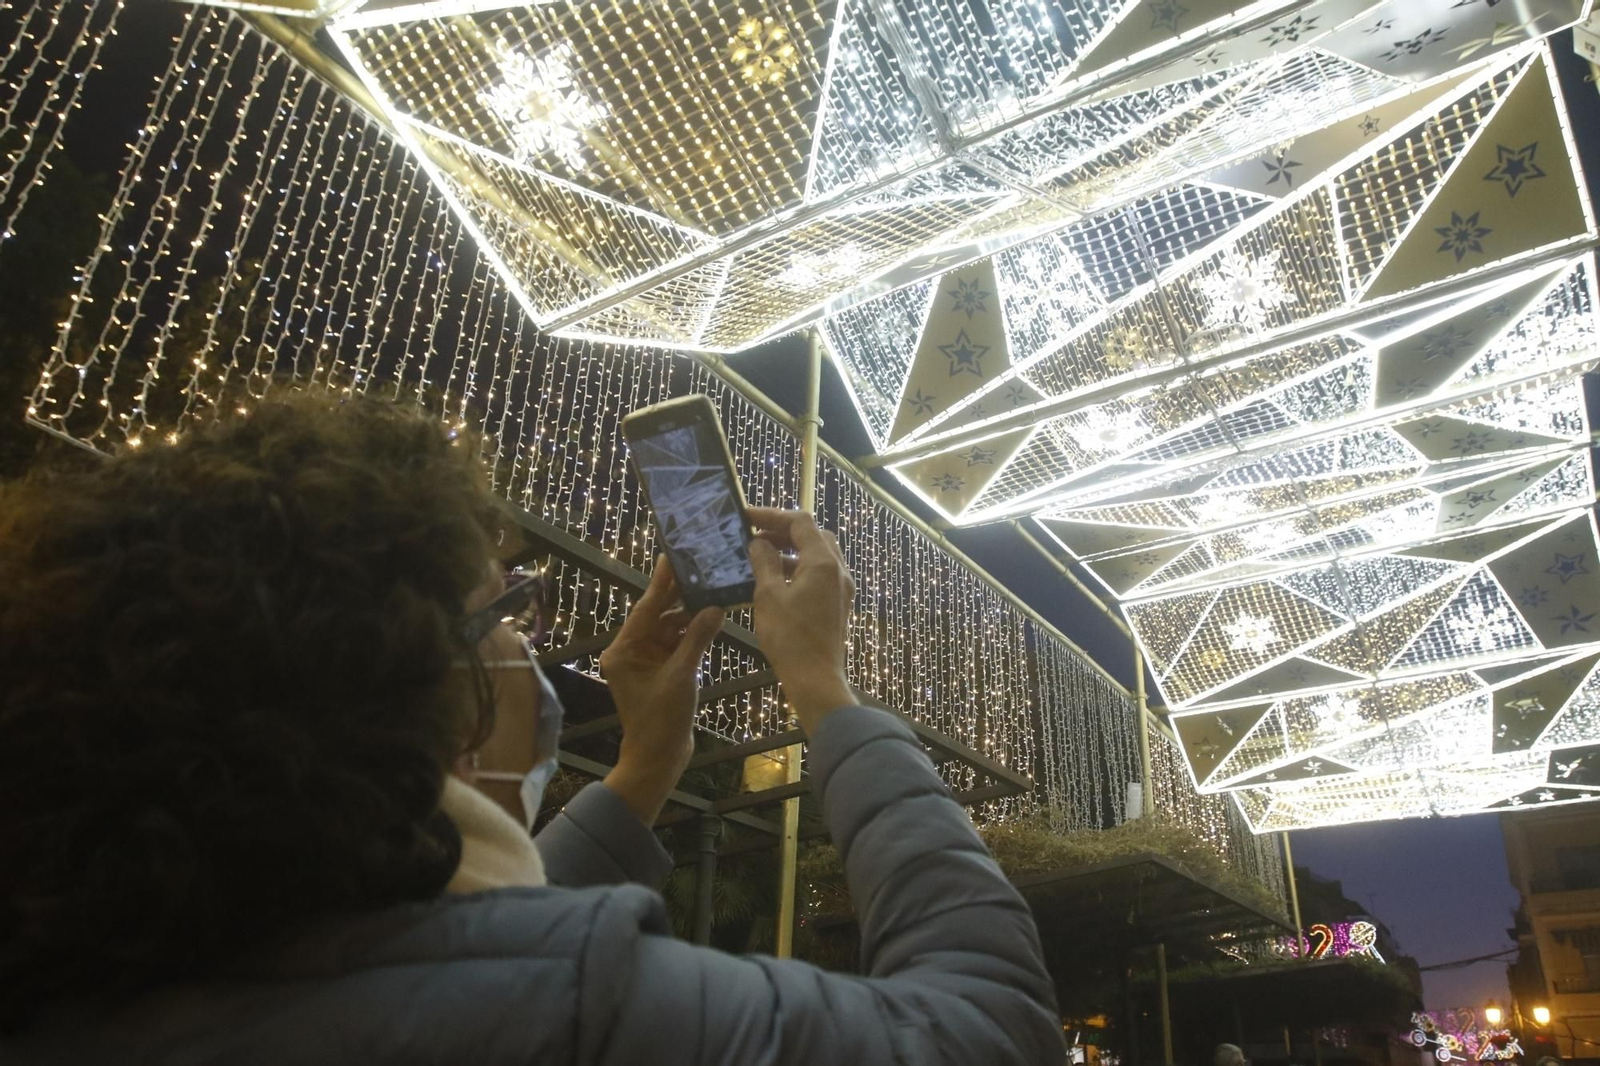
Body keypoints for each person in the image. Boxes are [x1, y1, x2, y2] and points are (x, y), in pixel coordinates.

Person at [0, 396, 1062, 1063]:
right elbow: (987, 1030)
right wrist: (825, 689)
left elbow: (434, 957)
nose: (526, 635)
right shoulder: (584, 1008)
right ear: (439, 708)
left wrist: (643, 768)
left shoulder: (94, 977)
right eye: (501, 613)